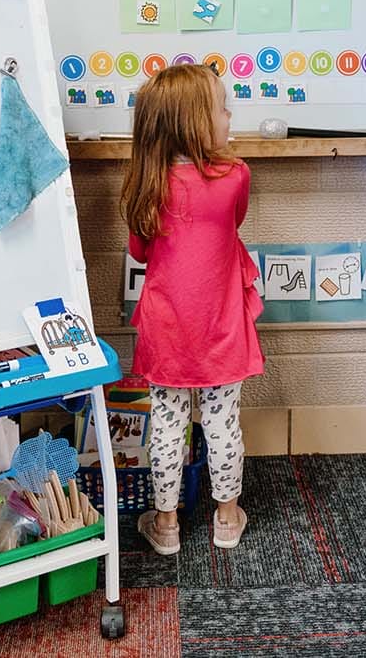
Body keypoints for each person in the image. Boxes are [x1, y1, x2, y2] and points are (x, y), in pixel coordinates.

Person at [121, 64, 262, 554]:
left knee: (166, 422)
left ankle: (165, 525)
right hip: (221, 323)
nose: (229, 116)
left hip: (167, 328)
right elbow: (232, 224)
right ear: (196, 122)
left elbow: (141, 253)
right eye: (222, 108)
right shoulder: (235, 176)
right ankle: (226, 519)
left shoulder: (146, 183)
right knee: (223, 421)